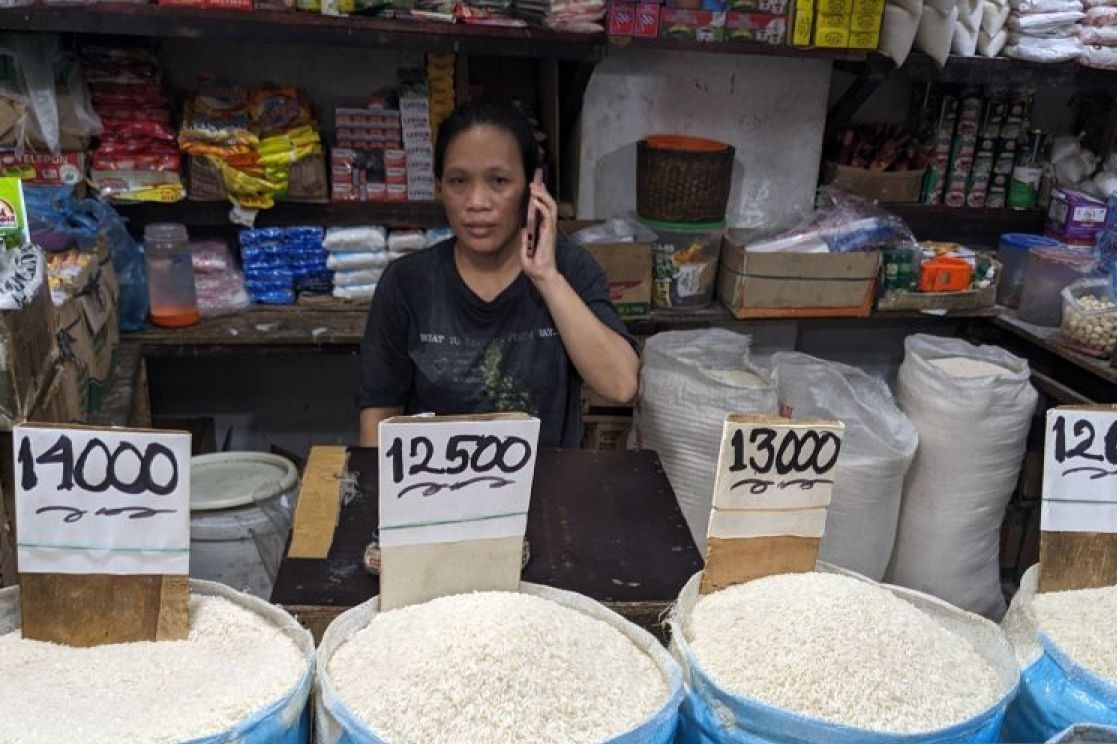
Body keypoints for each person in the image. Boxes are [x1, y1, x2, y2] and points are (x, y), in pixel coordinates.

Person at [357, 98, 640, 448]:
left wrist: (547, 278)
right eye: (458, 181)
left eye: (499, 181)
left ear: (533, 187)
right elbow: (380, 413)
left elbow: (622, 384)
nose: (477, 201)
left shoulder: (568, 269)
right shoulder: (407, 283)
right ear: (440, 187)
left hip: (548, 492)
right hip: (434, 493)